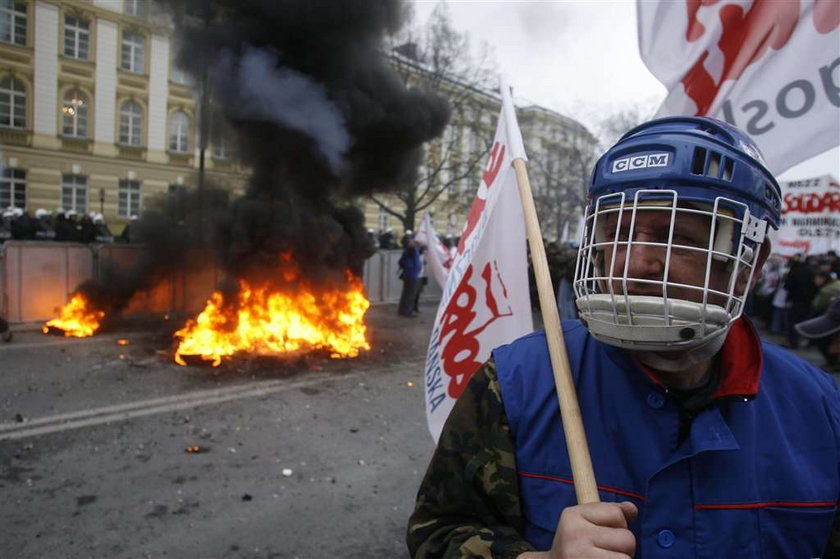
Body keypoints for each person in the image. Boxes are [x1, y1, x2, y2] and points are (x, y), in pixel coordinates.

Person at [407, 117, 839, 558]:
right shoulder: (519, 381)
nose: (634, 263)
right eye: (616, 233)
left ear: (749, 260)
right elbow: (437, 532)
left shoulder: (822, 408)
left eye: (676, 237)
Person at [397, 235, 421, 317]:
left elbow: (421, 247)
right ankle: (407, 312)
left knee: (406, 293)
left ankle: (402, 310)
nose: (413, 240)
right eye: (411, 239)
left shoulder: (410, 250)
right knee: (410, 294)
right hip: (411, 274)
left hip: (410, 273)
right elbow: (413, 247)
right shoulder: (411, 249)